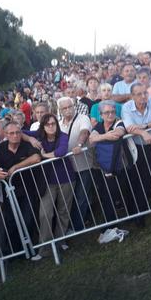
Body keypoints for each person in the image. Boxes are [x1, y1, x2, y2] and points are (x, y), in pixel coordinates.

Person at [23, 113, 74, 260]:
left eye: (53, 123)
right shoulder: (38, 135)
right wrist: (31, 139)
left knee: (63, 211)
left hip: (66, 178)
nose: (51, 126)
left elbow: (61, 151)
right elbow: (20, 132)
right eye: (47, 124)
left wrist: (43, 156)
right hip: (47, 181)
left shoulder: (63, 135)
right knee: (45, 214)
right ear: (43, 126)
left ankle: (60, 241)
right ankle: (45, 248)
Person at [0, 121, 42, 252]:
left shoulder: (27, 145)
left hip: (28, 188)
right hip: (9, 191)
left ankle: (32, 248)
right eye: (12, 133)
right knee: (11, 221)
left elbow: (36, 158)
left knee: (28, 218)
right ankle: (18, 251)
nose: (15, 135)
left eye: (18, 132)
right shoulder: (0, 148)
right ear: (5, 135)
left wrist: (16, 167)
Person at [122, 82, 151, 220]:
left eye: (145, 93)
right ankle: (135, 212)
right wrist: (144, 133)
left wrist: (145, 126)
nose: (143, 96)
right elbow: (129, 127)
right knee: (136, 178)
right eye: (139, 94)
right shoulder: (127, 107)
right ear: (132, 96)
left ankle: (141, 212)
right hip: (136, 147)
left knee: (148, 177)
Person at [57, 97, 94, 232]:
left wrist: (79, 144)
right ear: (60, 110)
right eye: (64, 108)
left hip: (83, 164)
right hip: (66, 168)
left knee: (81, 196)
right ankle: (76, 223)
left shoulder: (83, 118)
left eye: (69, 107)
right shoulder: (58, 124)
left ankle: (78, 226)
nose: (68, 110)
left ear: (74, 106)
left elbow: (84, 132)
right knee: (70, 198)